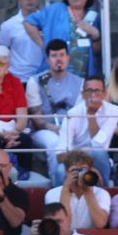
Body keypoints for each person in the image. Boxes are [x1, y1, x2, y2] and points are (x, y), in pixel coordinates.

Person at [27, 39, 84, 179]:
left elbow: (79, 116)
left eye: (62, 55)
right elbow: (37, 120)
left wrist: (66, 131)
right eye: (54, 56)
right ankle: (57, 183)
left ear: (68, 58)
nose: (58, 59)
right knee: (55, 143)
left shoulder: (80, 83)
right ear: (47, 59)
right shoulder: (35, 81)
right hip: (44, 131)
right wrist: (56, 129)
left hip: (72, 131)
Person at [23, 0, 99, 77]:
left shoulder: (93, 16)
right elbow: (28, 22)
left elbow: (97, 50)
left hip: (83, 75)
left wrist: (96, 34)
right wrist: (43, 44)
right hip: (56, 72)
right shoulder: (56, 10)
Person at [56, 73, 117, 182]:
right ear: (83, 94)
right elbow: (60, 153)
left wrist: (91, 115)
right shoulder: (72, 114)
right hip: (74, 160)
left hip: (97, 159)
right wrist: (79, 162)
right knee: (60, 170)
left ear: (104, 93)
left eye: (97, 90)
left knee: (98, 152)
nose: (93, 95)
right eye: (89, 90)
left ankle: (106, 191)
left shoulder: (113, 110)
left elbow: (99, 144)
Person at [45, 150, 111, 231]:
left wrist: (87, 191)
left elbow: (100, 223)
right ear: (66, 172)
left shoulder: (102, 193)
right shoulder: (52, 194)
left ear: (90, 171)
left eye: (84, 170)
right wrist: (66, 189)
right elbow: (63, 225)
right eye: (75, 170)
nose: (80, 174)